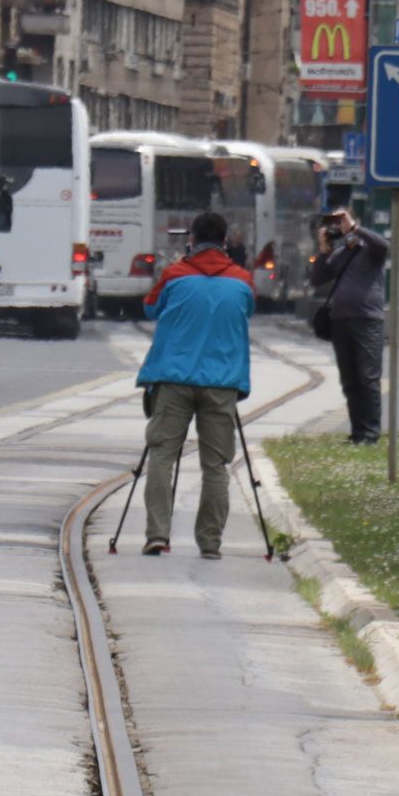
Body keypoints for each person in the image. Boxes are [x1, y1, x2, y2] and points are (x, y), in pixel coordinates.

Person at [138, 210, 256, 557]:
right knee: (216, 465)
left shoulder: (175, 274)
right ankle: (210, 542)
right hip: (221, 383)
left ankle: (157, 534)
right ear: (225, 242)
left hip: (173, 380)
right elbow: (247, 310)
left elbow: (150, 308)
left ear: (191, 239)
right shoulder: (242, 280)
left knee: (162, 456)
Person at [310, 208, 389, 444]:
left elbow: (384, 246)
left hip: (368, 320)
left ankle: (371, 433)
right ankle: (357, 432)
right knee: (350, 380)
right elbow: (317, 279)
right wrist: (324, 250)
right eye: (334, 222)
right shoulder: (339, 253)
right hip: (340, 320)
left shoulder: (370, 250)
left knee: (368, 377)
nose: (338, 226)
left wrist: (355, 228)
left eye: (341, 221)